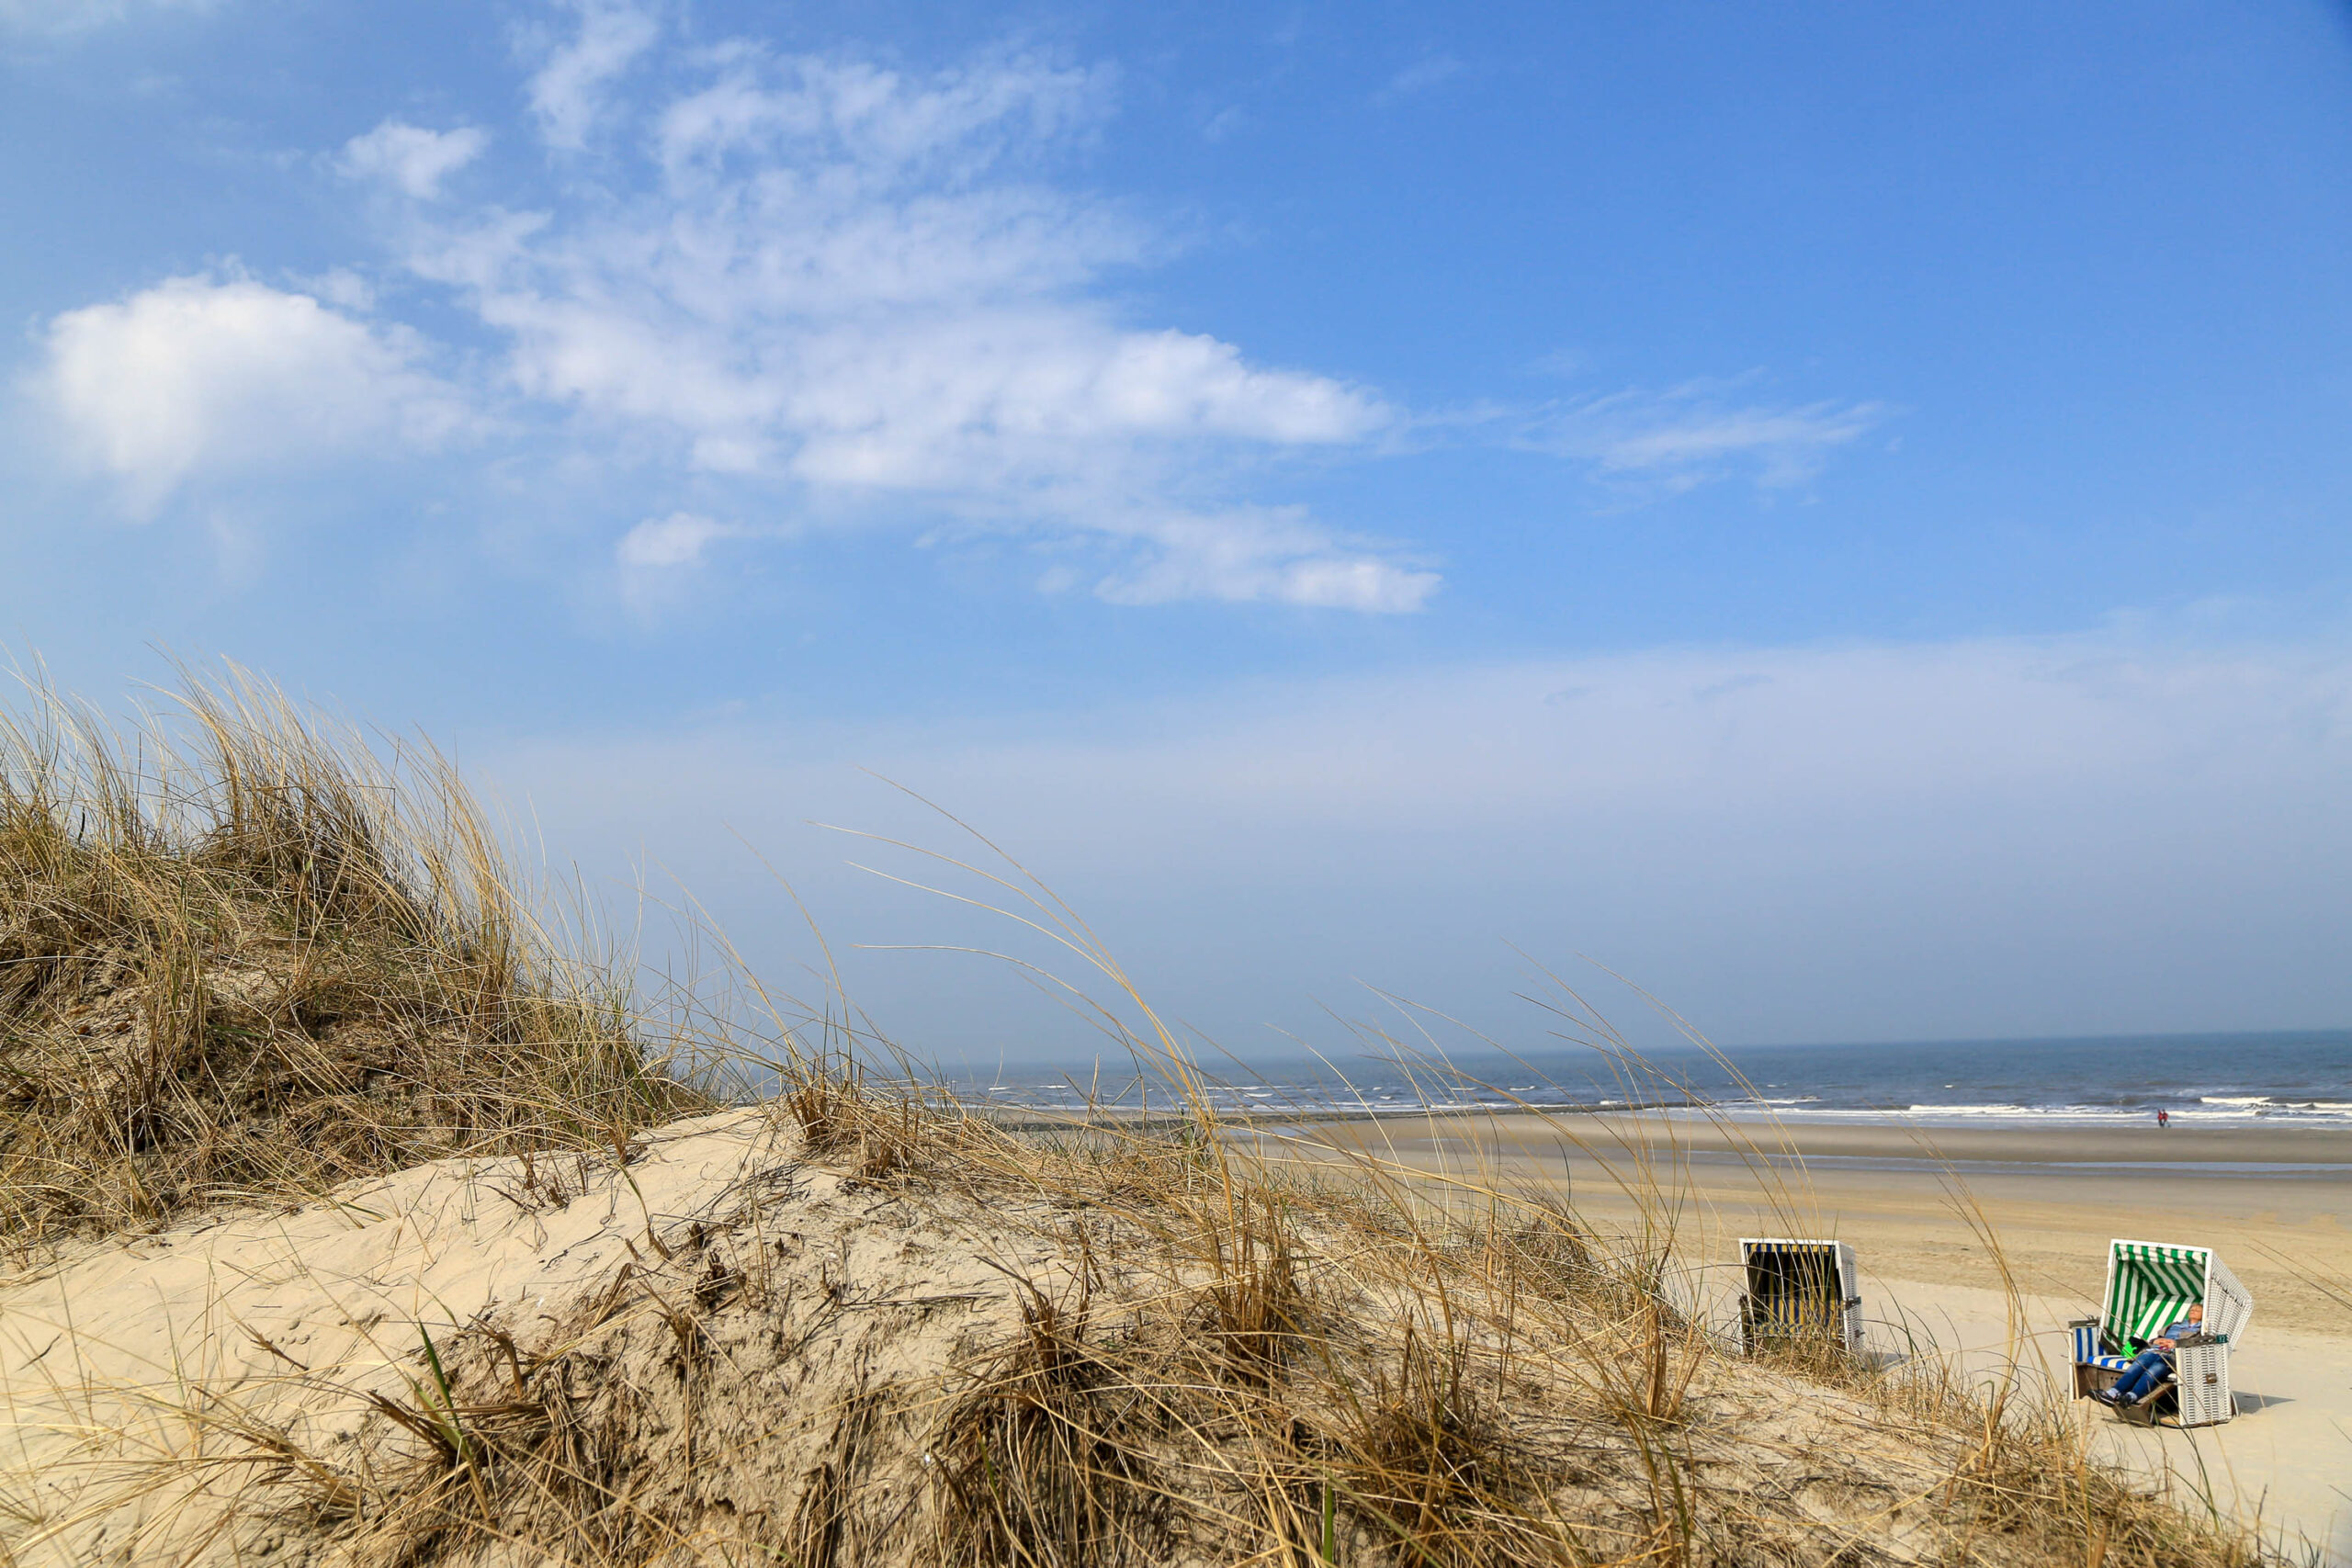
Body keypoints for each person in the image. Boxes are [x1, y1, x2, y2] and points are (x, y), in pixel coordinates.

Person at [2095, 1303, 2203, 1407]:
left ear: (2203, 1315)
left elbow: (2196, 1344)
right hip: (2154, 1351)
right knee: (2137, 1366)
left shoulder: (2201, 1330)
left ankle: (2131, 1396)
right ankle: (2113, 1393)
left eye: (2197, 1310)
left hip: (2172, 1356)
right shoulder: (2175, 1325)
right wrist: (2157, 1340)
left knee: (2153, 1371)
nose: (2193, 1311)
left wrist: (2176, 1344)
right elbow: (2154, 1339)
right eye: (2192, 1309)